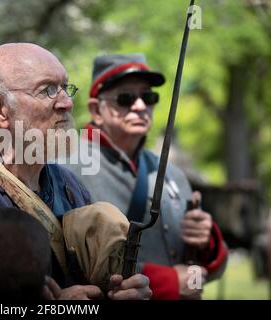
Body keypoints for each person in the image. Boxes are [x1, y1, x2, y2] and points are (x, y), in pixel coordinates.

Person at [0, 43, 152, 300]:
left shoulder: (69, 185)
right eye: (48, 90)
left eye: (65, 88)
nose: (67, 103)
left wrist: (121, 292)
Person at [65, 53, 228, 299]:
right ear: (96, 110)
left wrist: (206, 242)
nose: (140, 106)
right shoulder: (65, 167)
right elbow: (65, 265)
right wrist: (167, 283)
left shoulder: (173, 173)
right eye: (126, 98)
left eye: (148, 97)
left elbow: (200, 274)